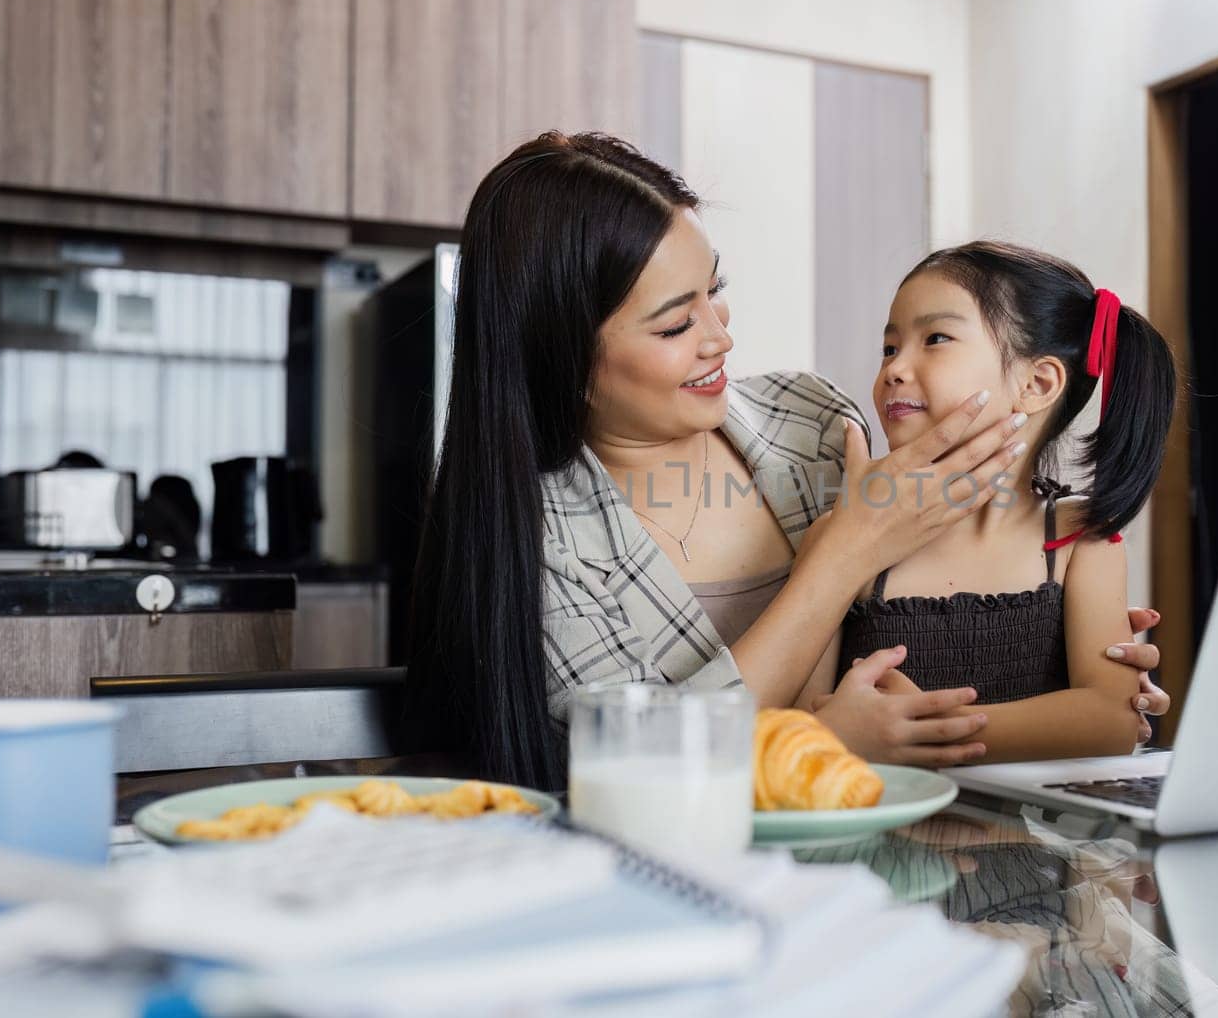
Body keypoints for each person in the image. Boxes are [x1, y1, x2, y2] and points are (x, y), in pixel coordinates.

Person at [403, 133, 1168, 789]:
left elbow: (1011, 655)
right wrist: (840, 566)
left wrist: (1078, 664)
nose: (720, 337)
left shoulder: (814, 425)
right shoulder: (541, 538)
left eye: (716, 290)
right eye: (675, 324)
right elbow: (631, 777)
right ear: (562, 358)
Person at [806, 243, 1176, 761]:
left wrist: (928, 729)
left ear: (1037, 384)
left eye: (935, 339)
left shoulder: (1079, 538)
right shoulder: (844, 536)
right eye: (890, 348)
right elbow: (801, 718)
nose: (894, 369)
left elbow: (1110, 721)